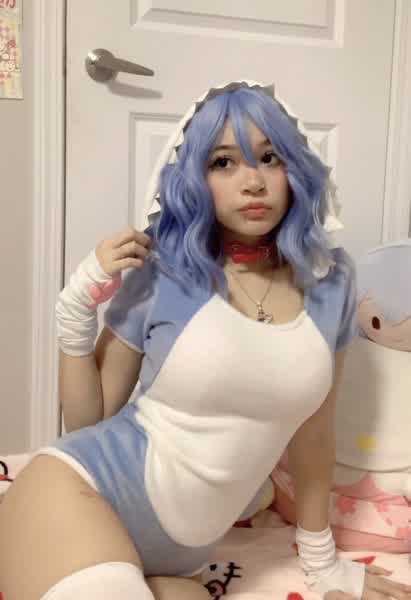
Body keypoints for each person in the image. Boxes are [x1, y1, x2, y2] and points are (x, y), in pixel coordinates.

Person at [1, 80, 410, 600]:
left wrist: (322, 564)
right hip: (84, 494)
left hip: (180, 562)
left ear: (295, 171)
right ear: (196, 178)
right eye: (223, 163)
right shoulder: (164, 271)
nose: (253, 182)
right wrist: (75, 310)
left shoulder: (332, 280)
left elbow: (315, 435)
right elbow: (88, 420)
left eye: (270, 158)